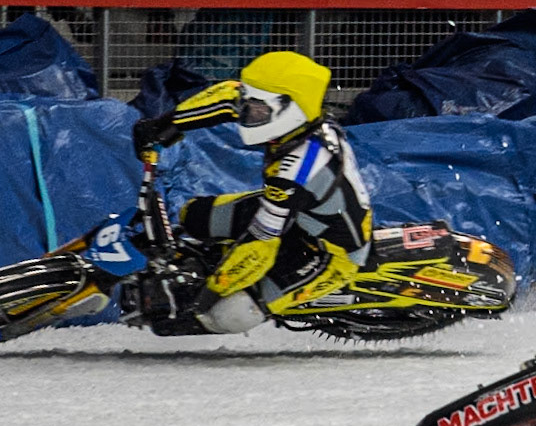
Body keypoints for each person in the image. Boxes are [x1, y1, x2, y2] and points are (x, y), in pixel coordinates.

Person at [130, 52, 373, 338]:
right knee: (193, 215)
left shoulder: (299, 169)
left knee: (229, 313)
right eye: (248, 105)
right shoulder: (293, 120)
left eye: (256, 110)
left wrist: (209, 293)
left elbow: (259, 245)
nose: (246, 114)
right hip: (300, 216)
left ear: (290, 110)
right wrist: (166, 125)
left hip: (329, 251)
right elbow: (226, 96)